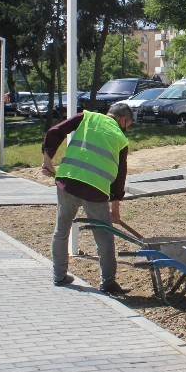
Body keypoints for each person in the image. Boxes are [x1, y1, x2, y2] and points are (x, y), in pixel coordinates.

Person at [41, 102, 134, 295]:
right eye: (129, 124)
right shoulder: (121, 139)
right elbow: (119, 178)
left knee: (61, 230)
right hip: (95, 191)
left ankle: (59, 275)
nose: (127, 129)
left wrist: (47, 159)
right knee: (104, 238)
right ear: (123, 120)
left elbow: (54, 131)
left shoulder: (86, 117)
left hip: (67, 183)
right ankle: (108, 283)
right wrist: (115, 208)